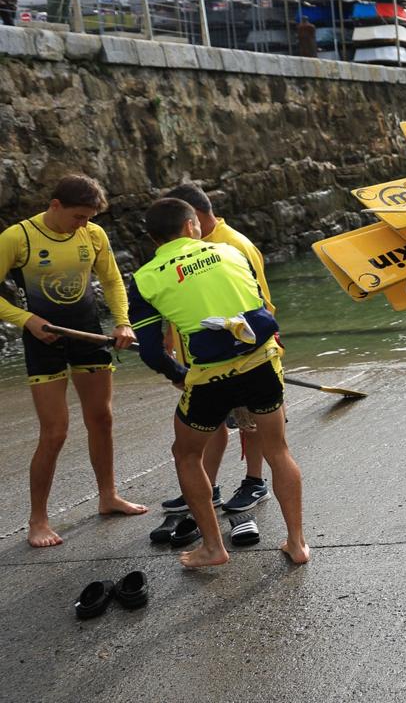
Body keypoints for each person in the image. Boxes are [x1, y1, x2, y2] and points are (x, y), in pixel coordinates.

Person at [128, 198, 308, 568]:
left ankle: (212, 547)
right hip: (261, 364)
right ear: (192, 224)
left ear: (152, 238)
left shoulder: (145, 279)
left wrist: (179, 376)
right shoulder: (229, 251)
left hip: (210, 378)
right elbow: (257, 306)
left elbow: (149, 351)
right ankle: (297, 544)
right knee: (278, 450)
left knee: (187, 454)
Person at [0, 175, 146, 548]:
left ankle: (108, 496)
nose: (84, 224)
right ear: (55, 206)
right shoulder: (18, 238)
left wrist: (123, 322)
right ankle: (38, 520)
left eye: (89, 218)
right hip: (43, 341)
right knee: (55, 432)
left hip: (88, 334)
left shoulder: (93, 235)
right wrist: (26, 320)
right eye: (78, 216)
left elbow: (112, 281)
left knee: (102, 418)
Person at [156, 184, 275, 518]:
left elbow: (262, 307)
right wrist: (169, 333)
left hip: (241, 355)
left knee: (249, 421)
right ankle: (207, 486)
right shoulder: (193, 247)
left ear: (192, 219)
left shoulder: (234, 245)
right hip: (202, 359)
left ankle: (254, 481)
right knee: (213, 424)